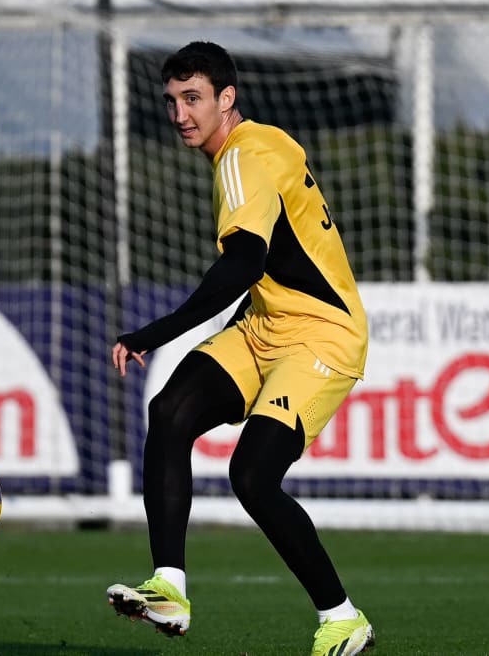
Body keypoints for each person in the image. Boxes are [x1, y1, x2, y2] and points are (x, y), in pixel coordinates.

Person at [105, 42, 374, 656]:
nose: (180, 114)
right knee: (169, 412)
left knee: (252, 475)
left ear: (227, 99)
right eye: (172, 101)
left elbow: (243, 263)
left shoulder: (242, 158)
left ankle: (343, 617)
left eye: (193, 98)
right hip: (264, 325)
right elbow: (260, 267)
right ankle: (168, 587)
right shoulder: (264, 143)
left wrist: (153, 333)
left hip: (321, 334)